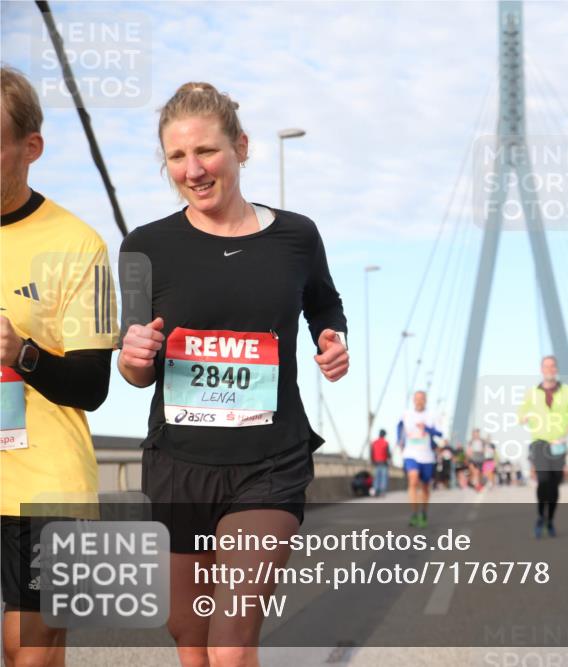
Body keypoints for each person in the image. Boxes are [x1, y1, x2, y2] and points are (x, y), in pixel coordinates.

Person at [117, 82, 349, 666]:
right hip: (179, 466)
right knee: (187, 634)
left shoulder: (297, 236)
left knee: (229, 639)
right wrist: (134, 358)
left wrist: (332, 339)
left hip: (270, 463)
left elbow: (324, 303)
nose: (193, 170)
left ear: (241, 147)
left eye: (207, 152)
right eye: (176, 157)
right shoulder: (144, 247)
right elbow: (135, 367)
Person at [1, 65, 118, 667]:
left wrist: (20, 352)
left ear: (31, 147)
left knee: (28, 650)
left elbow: (93, 385)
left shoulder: (82, 245)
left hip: (44, 487)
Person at [518, 355, 568, 538]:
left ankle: (550, 519)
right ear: (541, 370)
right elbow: (521, 412)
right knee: (543, 480)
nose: (549, 369)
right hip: (539, 442)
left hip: (559, 442)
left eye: (552, 366)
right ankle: (540, 516)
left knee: (554, 485)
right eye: (546, 366)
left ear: (556, 369)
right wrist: (523, 417)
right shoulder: (532, 392)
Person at [396, 390, 440, 528]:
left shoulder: (431, 415)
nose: (419, 401)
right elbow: (399, 426)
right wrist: (399, 440)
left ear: (425, 400)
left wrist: (427, 428)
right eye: (417, 399)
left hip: (427, 456)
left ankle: (424, 513)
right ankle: (414, 513)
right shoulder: (406, 414)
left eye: (422, 399)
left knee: (425, 487)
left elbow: (440, 432)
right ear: (413, 400)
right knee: (413, 480)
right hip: (411, 453)